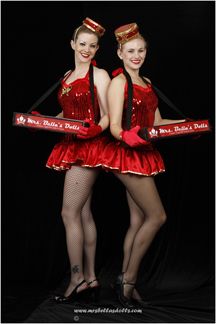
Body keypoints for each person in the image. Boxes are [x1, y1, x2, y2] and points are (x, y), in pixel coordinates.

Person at [100, 23, 186, 307]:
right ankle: (129, 280)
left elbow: (158, 122)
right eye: (130, 51)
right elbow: (113, 126)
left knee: (138, 220)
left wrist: (190, 125)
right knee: (157, 217)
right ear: (120, 53)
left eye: (141, 51)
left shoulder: (146, 82)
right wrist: (129, 137)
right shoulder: (119, 83)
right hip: (127, 154)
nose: (136, 56)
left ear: (146, 52)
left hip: (144, 154)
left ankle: (123, 279)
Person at [45, 17, 110, 303]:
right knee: (82, 214)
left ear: (97, 49)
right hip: (70, 145)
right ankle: (91, 277)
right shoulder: (66, 77)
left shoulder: (101, 76)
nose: (87, 49)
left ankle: (76, 279)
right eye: (82, 44)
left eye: (92, 46)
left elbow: (109, 114)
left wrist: (97, 128)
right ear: (73, 44)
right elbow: (66, 115)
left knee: (68, 213)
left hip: (90, 147)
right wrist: (44, 121)